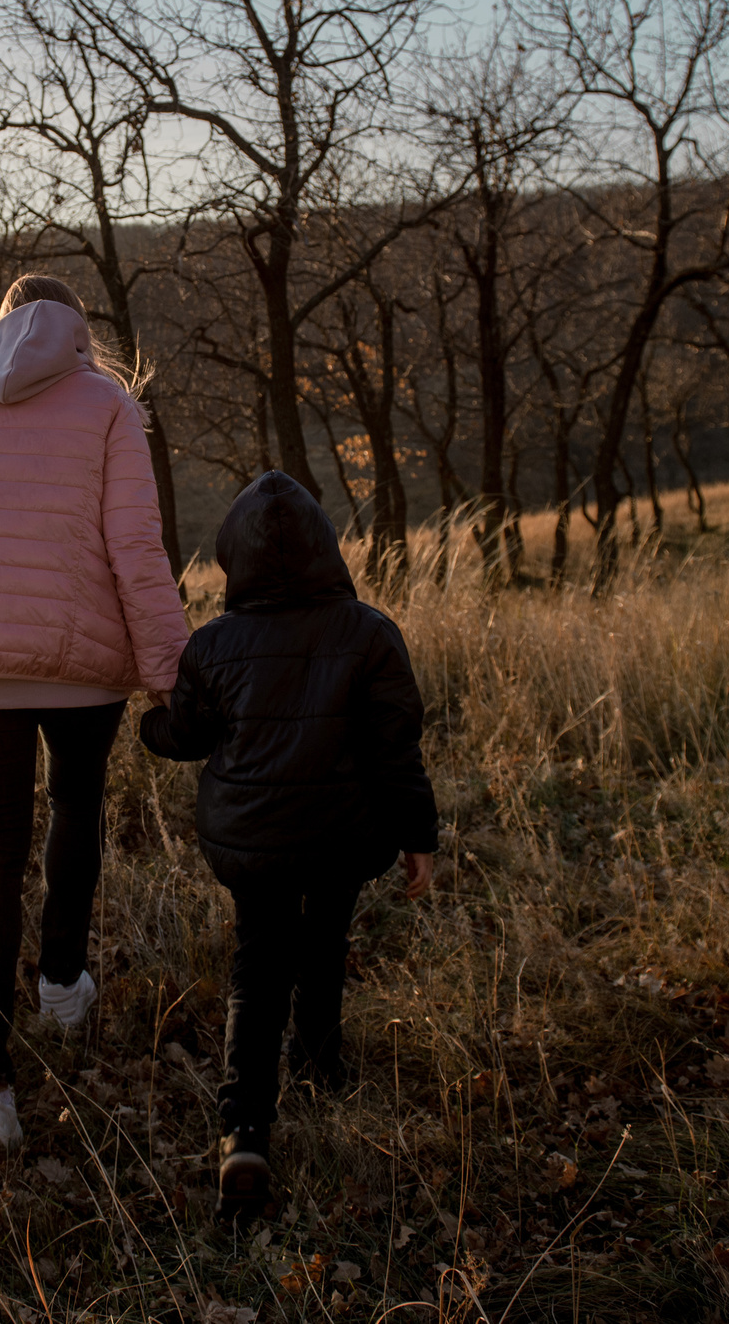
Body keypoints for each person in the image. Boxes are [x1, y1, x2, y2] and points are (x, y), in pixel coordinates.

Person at [0, 275, 191, 1151]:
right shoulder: (107, 402)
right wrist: (170, 670)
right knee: (76, 803)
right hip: (77, 656)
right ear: (79, 330)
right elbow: (135, 540)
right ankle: (62, 983)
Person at [139, 470, 438, 1221]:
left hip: (254, 837)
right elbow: (396, 748)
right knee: (327, 937)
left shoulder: (214, 645)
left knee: (258, 962)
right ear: (326, 549)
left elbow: (184, 738)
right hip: (345, 832)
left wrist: (150, 719)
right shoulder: (371, 633)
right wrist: (416, 836)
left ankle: (244, 1126)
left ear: (232, 558)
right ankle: (320, 1062)